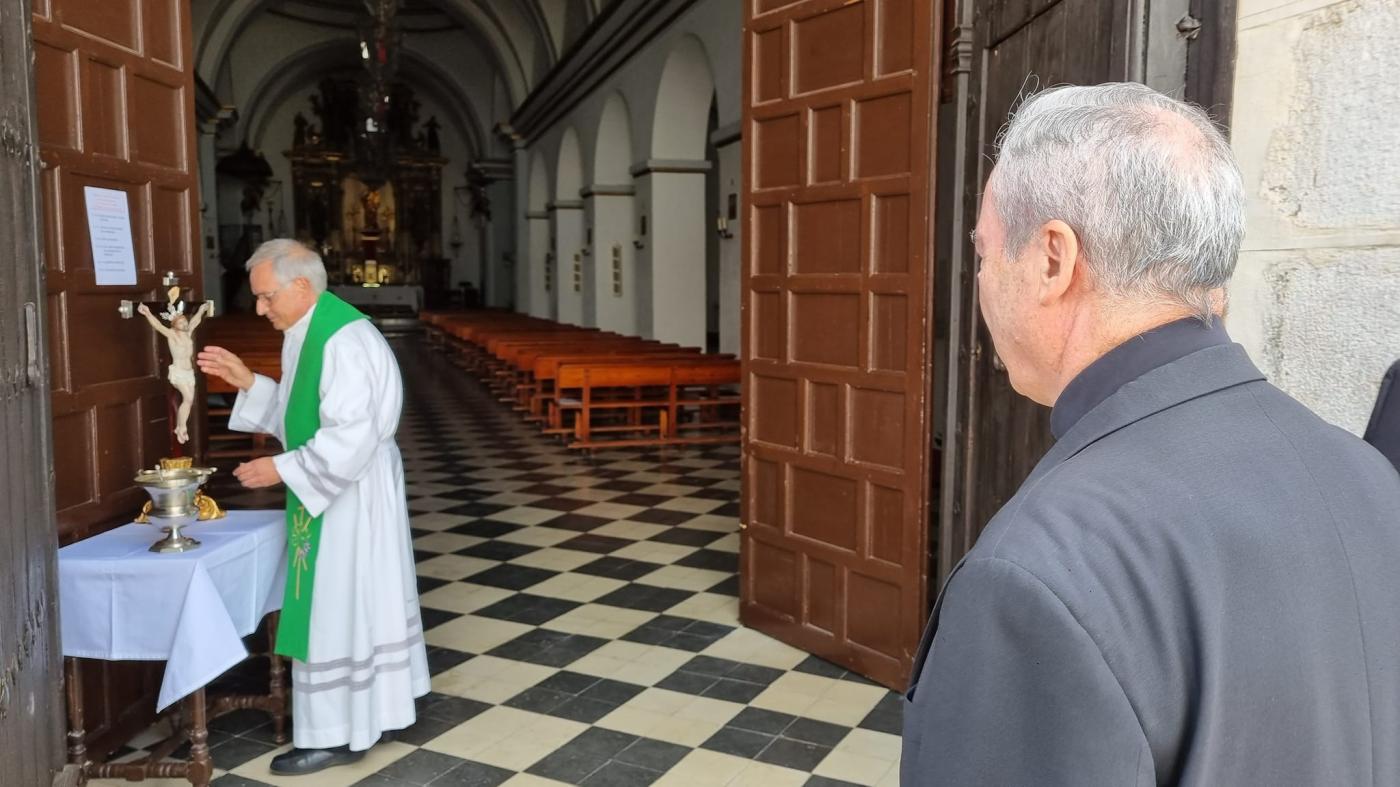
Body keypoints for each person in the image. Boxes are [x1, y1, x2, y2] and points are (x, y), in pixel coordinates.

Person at [901, 83, 1400, 785]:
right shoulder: (1368, 474)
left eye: (984, 255)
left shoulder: (1037, 573)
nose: (980, 280)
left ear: (1052, 259)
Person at [196, 239, 428, 776]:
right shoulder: (307, 329)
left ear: (301, 286)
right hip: (339, 485)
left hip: (351, 494)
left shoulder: (342, 339)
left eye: (265, 296)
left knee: (335, 603)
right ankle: (369, 708)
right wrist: (249, 383)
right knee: (348, 601)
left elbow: (352, 433)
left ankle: (337, 731)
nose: (259, 308)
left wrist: (280, 468)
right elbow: (305, 414)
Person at [137, 299, 212, 444]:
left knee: (188, 401)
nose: (184, 324)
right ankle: (181, 427)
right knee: (188, 398)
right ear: (175, 325)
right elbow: (158, 325)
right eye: (181, 323)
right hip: (178, 372)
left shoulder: (187, 332)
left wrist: (202, 310)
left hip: (189, 372)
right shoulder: (172, 334)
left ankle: (181, 428)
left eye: (184, 322)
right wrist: (147, 313)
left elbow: (195, 321)